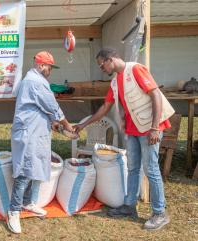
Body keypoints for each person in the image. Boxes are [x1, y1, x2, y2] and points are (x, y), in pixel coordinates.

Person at [74, 47, 173, 231]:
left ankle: (160, 213)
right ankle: (129, 206)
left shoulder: (135, 69)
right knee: (132, 167)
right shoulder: (114, 83)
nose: (101, 68)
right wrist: (83, 125)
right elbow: (105, 108)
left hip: (149, 128)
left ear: (110, 59)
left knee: (150, 169)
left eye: (101, 64)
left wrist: (154, 128)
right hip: (133, 129)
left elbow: (155, 95)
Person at [7, 51, 74, 234]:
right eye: (49, 67)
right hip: (29, 133)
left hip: (35, 131)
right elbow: (53, 107)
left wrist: (53, 123)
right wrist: (68, 126)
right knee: (25, 172)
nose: (50, 70)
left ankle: (28, 202)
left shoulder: (35, 80)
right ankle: (13, 211)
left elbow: (42, 107)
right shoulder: (34, 81)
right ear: (40, 65)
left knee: (33, 168)